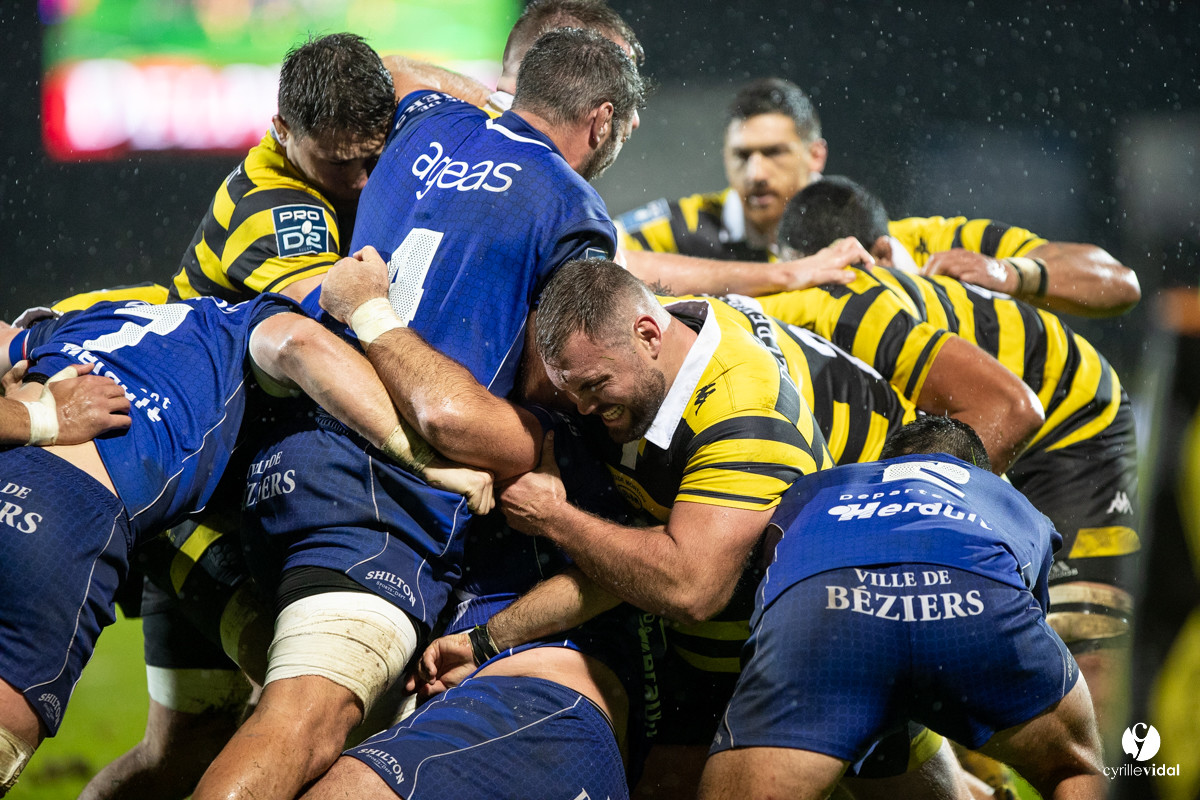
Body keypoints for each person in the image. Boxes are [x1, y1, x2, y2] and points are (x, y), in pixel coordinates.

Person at [190, 28, 648, 800]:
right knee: (302, 725)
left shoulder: (423, 118)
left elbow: (388, 64)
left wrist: (491, 108)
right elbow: (473, 414)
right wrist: (541, 453)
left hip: (276, 453)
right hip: (382, 495)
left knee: (267, 725)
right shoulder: (576, 210)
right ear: (601, 122)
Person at [0, 294, 487, 797]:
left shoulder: (86, 320)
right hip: (69, 520)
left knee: (189, 744)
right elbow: (299, 343)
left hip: (60, 494)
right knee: (301, 719)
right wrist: (427, 461)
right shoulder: (243, 324)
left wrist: (20, 407)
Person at [770, 176, 1139, 744]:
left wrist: (1011, 273)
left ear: (884, 253)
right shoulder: (800, 293)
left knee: (1083, 639)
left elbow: (1118, 286)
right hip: (975, 426)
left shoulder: (900, 266)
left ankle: (1124, 771)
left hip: (1072, 432)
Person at [699, 416, 1107, 800]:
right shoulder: (1006, 497)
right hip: (974, 607)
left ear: (884, 465)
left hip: (824, 614)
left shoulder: (816, 487)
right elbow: (1026, 613)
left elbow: (771, 579)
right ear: (980, 471)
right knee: (1075, 768)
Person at [299, 410, 661, 800]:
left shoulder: (541, 438)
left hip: (540, 707)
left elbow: (448, 413)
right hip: (578, 738)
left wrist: (482, 642)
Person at [618, 78, 1139, 316]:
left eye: (773, 152)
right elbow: (596, 257)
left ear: (815, 156)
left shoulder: (889, 238)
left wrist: (1010, 275)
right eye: (741, 154)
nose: (755, 172)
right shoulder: (680, 228)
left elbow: (1118, 282)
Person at [169, 33, 396, 304]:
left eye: (373, 158)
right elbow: (338, 319)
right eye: (339, 163)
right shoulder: (268, 210)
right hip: (210, 344)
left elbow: (402, 70)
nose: (363, 181)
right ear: (283, 130)